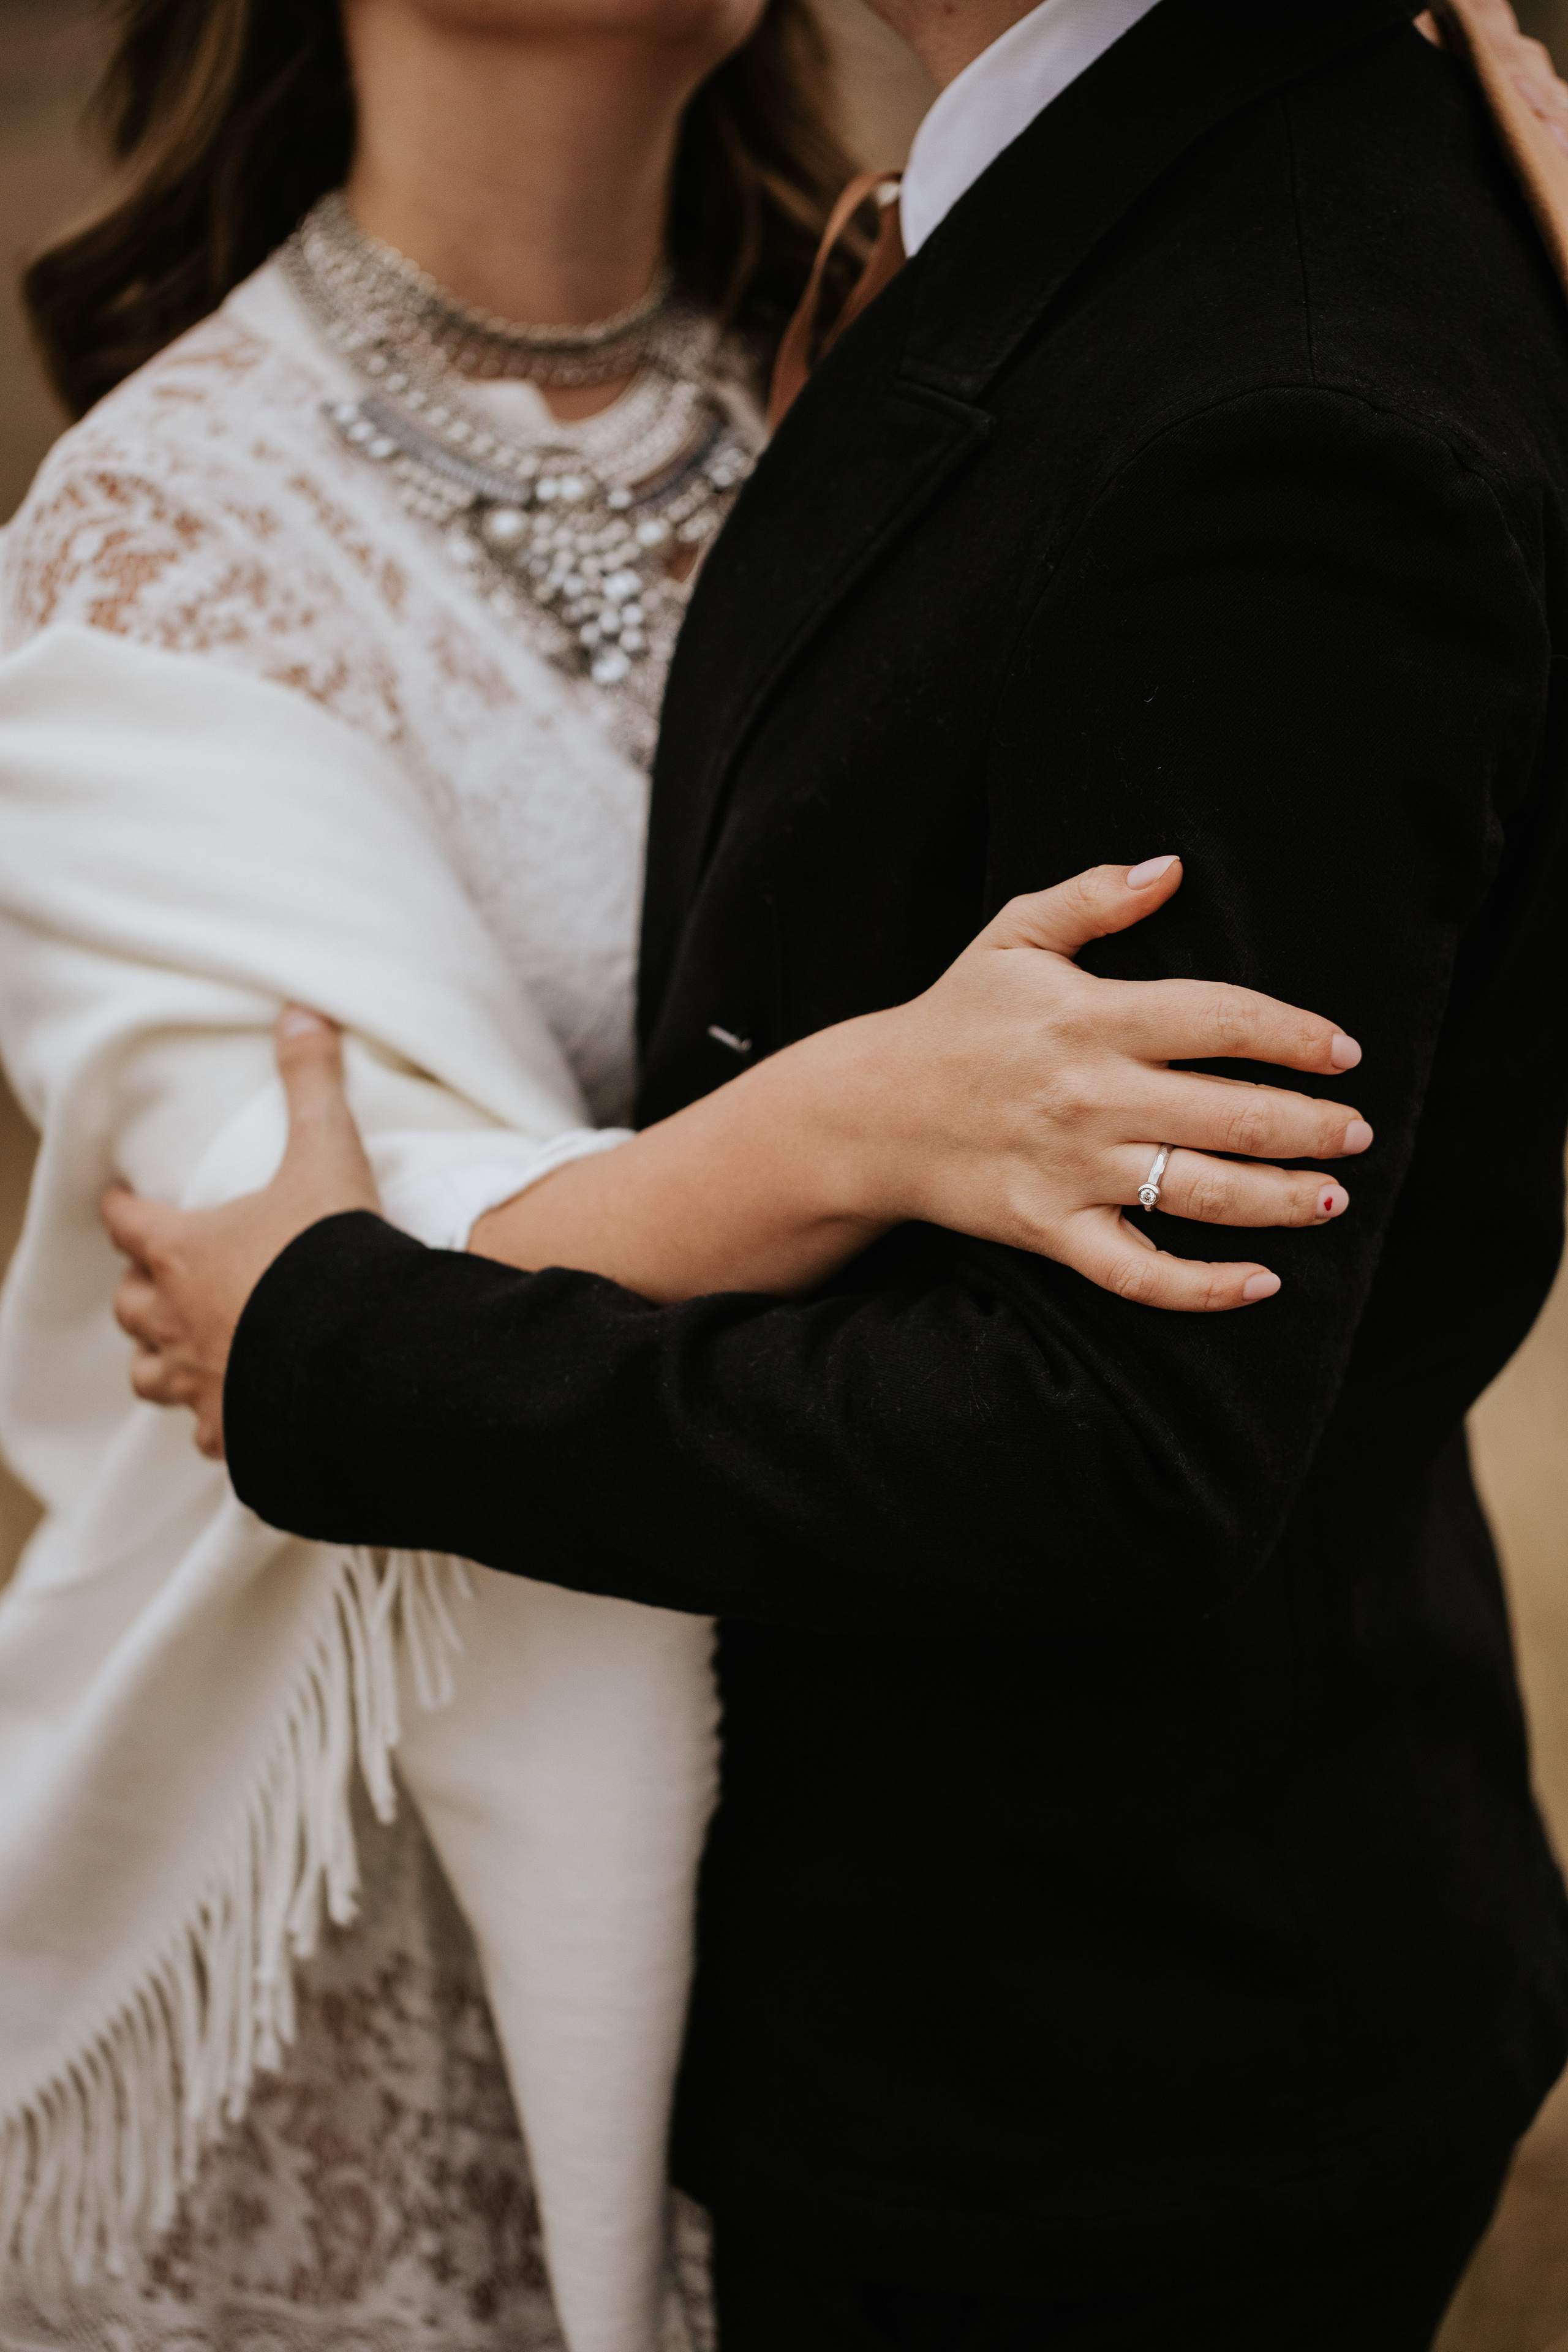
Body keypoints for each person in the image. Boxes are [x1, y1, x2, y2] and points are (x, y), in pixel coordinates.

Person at [107, 0, 1568, 2343]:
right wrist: (849, 1118)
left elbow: (1111, 1442)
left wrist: (340, 1360)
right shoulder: (1016, 237)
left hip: (1088, 2077)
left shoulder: (1277, 395)